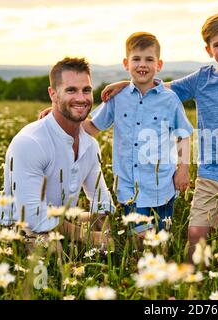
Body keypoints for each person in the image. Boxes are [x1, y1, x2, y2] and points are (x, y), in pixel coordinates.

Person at [101, 13, 218, 263]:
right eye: (217, 44)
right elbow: (161, 90)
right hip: (208, 176)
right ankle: (191, 282)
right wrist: (127, 83)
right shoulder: (202, 78)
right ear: (208, 49)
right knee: (195, 233)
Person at [0, 57, 114, 247]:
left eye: (87, 90)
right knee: (52, 247)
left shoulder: (89, 145)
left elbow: (102, 202)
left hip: (60, 220)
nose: (81, 98)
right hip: (19, 226)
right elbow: (32, 216)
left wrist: (106, 229)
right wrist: (88, 237)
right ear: (53, 94)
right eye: (71, 90)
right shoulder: (31, 141)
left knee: (106, 224)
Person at [87, 32, 193, 235]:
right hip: (130, 188)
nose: (142, 64)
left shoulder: (169, 99)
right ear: (126, 63)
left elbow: (184, 134)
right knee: (140, 239)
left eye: (149, 59)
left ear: (159, 64)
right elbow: (92, 127)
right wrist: (57, 115)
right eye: (136, 59)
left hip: (162, 186)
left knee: (162, 239)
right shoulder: (117, 98)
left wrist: (183, 169)